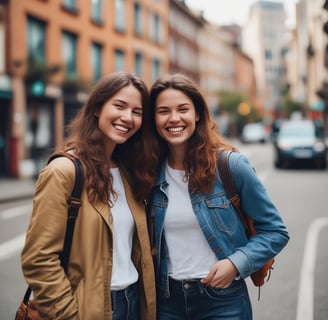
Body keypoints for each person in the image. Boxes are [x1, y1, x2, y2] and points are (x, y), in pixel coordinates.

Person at [145, 73, 289, 320]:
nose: (174, 118)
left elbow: (275, 231)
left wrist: (235, 263)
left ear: (198, 113)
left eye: (183, 109)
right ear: (154, 119)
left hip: (223, 300)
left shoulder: (230, 166)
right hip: (167, 302)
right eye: (163, 111)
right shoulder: (147, 173)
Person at [21, 72, 156, 320]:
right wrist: (68, 315)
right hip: (88, 310)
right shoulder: (64, 171)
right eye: (119, 106)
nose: (128, 117)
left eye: (137, 112)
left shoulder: (129, 171)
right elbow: (38, 259)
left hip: (134, 304)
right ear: (97, 108)